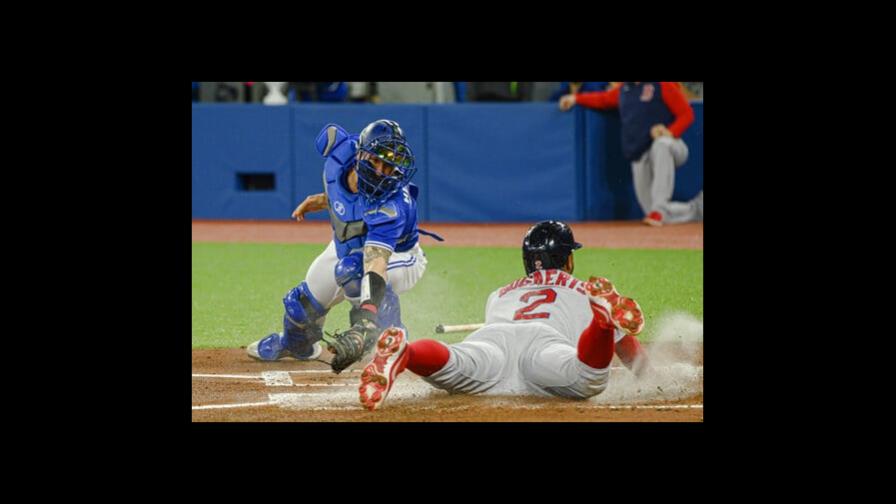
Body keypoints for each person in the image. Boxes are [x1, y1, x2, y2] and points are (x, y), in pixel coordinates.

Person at [356, 220, 650, 411]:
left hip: (493, 341)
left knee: (454, 361)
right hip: (546, 347)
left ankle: (406, 353)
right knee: (588, 378)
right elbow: (632, 357)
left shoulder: (500, 294)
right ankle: (602, 324)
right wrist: (649, 376)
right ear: (569, 259)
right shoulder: (583, 290)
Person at [246, 119, 441, 374]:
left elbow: (376, 262)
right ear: (360, 154)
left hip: (399, 256)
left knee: (352, 271)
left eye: (390, 165)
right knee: (300, 305)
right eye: (376, 161)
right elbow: (350, 195)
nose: (383, 172)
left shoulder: (393, 204)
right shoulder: (339, 154)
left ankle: (393, 343)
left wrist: (367, 317)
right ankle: (296, 346)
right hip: (348, 245)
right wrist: (326, 200)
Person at [559, 82, 701, 226]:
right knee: (652, 212)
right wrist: (576, 98)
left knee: (661, 144)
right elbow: (602, 99)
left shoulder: (662, 85)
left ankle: (660, 209)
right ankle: (696, 209)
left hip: (672, 146)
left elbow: (687, 113)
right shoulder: (625, 89)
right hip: (641, 152)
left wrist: (670, 132)